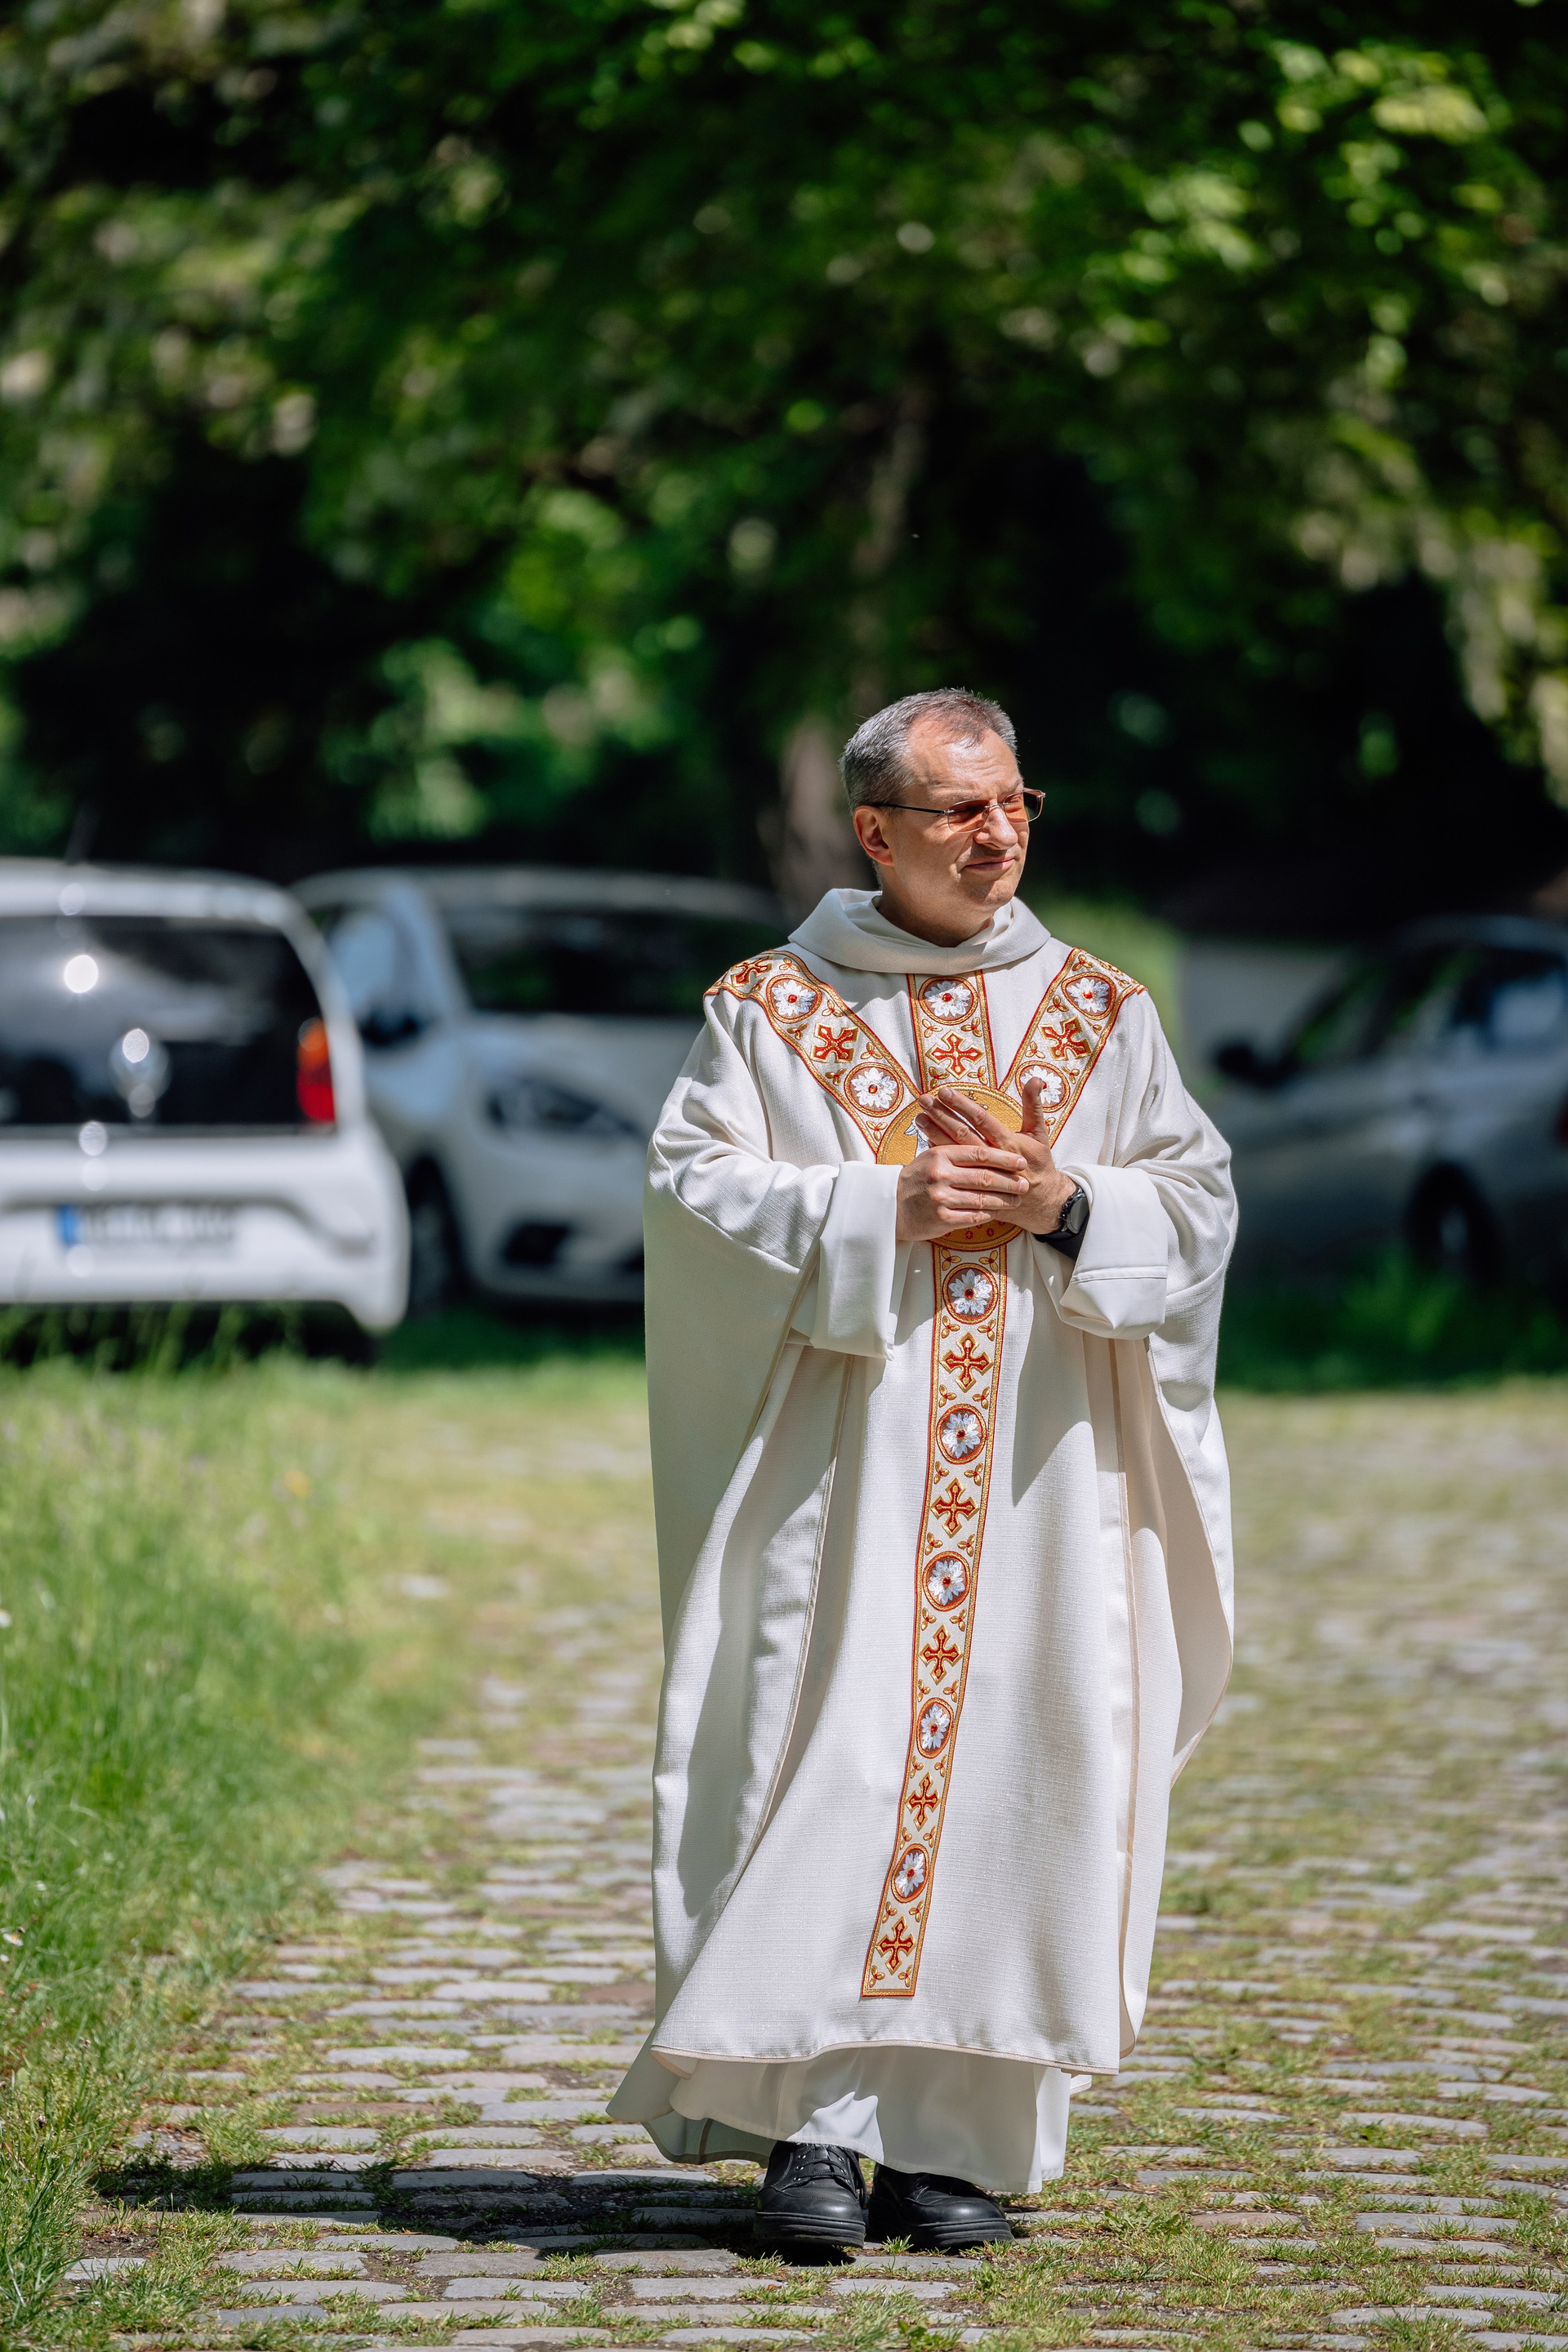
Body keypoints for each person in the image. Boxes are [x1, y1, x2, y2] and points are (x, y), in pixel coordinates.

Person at [608, 688, 1236, 2252]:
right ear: (875, 832)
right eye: (962, 810)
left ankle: (952, 2145)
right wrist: (877, 1208)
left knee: (1021, 1775)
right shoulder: (770, 1008)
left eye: (1017, 802)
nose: (999, 833)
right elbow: (694, 1191)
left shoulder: (1100, 1011)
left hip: (1040, 1479)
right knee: (826, 1765)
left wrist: (1066, 1203)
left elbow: (1198, 1201)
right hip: (844, 1471)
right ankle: (810, 2136)